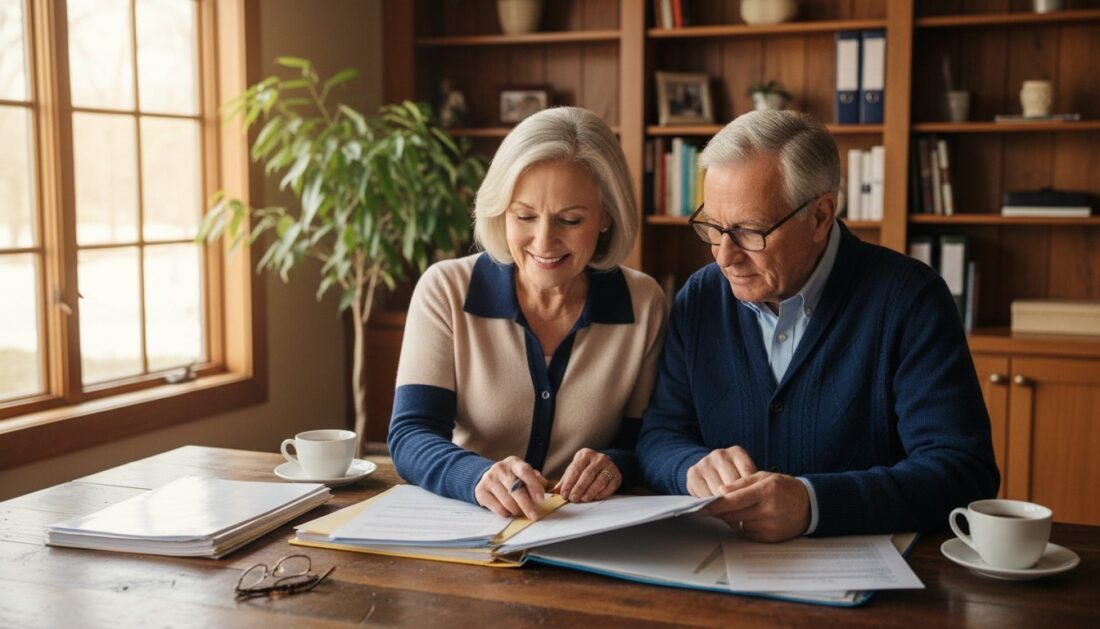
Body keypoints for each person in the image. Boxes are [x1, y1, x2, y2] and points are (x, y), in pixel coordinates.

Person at [637, 110, 999, 542]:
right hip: (718, 571)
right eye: (713, 228)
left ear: (821, 216)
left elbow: (963, 471)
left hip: (871, 585)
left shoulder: (910, 300)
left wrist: (813, 504)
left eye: (750, 231)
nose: (723, 256)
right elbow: (660, 433)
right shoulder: (700, 299)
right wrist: (690, 466)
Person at [389, 107, 667, 521]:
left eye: (570, 220)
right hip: (471, 524)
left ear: (607, 215)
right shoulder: (445, 289)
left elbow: (643, 443)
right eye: (524, 216)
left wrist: (614, 466)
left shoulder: (644, 302)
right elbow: (411, 435)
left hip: (582, 533)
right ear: (501, 210)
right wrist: (478, 477)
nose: (543, 241)